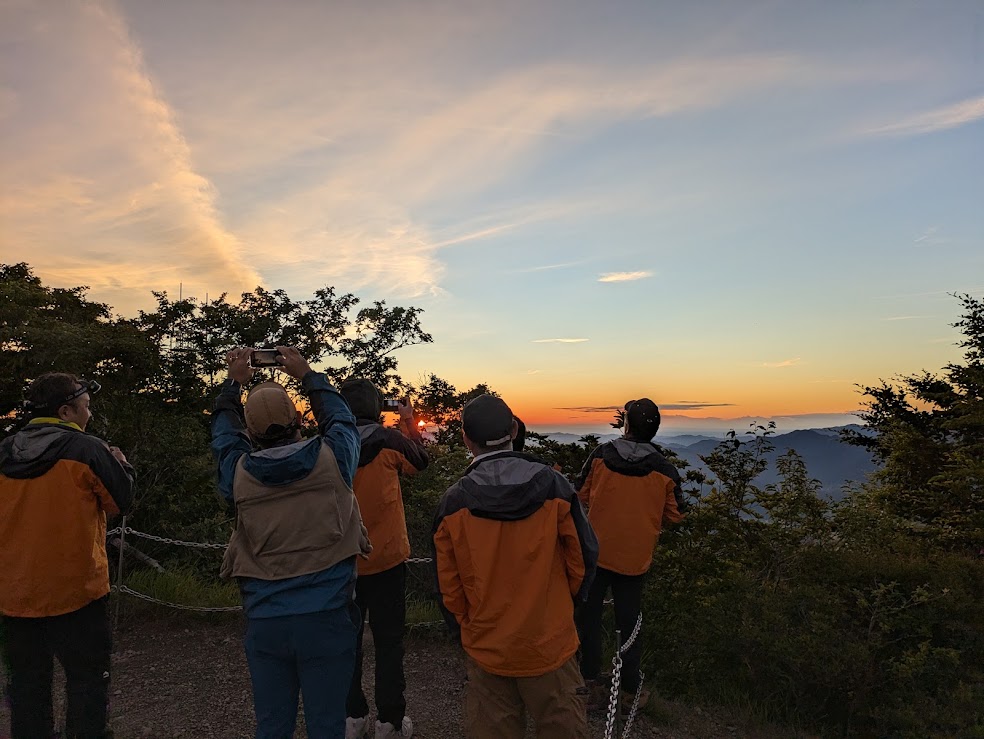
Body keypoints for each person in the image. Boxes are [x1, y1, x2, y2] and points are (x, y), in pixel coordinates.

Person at [212, 347, 371, 739]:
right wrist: (308, 375)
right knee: (327, 725)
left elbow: (223, 437)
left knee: (272, 725)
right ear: (299, 418)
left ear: (249, 431)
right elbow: (342, 420)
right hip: (328, 615)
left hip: (266, 619)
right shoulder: (334, 459)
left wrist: (234, 384)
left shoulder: (238, 473)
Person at [432, 394, 598, 739]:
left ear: (466, 438)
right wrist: (562, 607)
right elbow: (583, 559)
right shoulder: (554, 486)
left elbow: (448, 586)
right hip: (549, 644)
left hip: (488, 650)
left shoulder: (454, 503)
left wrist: (468, 628)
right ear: (513, 429)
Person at [0, 373, 135, 739]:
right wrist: (120, 464)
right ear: (65, 411)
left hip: (14, 595)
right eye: (86, 407)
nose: (89, 415)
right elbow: (120, 501)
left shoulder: (3, 452)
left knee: (27, 688)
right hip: (77, 592)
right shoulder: (87, 450)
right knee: (88, 685)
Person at [575, 398, 686, 713]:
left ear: (627, 424)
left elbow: (580, 492)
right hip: (635, 561)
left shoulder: (601, 456)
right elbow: (677, 514)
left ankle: (589, 683)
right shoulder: (664, 469)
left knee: (590, 619)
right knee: (629, 623)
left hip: (596, 553)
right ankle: (627, 691)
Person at [338, 380, 428, 739]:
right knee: (390, 642)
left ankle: (352, 717)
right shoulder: (390, 442)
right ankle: (389, 721)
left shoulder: (331, 441)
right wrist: (408, 421)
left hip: (343, 559)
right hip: (388, 559)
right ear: (377, 407)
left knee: (347, 641)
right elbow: (420, 462)